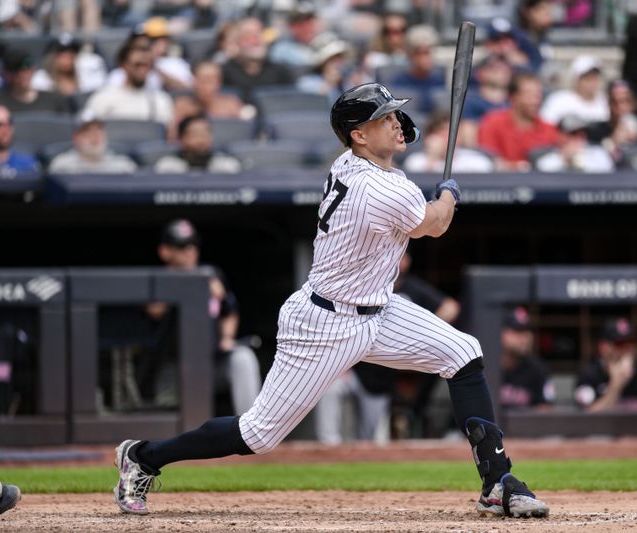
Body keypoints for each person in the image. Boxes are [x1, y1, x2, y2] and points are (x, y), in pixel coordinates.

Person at [112, 83, 549, 520]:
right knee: (257, 435)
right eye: (384, 118)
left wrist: (429, 187)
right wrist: (450, 194)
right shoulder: (380, 188)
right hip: (326, 323)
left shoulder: (355, 163)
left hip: (380, 308)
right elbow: (434, 225)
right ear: (358, 135)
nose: (396, 123)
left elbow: (414, 200)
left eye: (396, 114)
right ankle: (144, 457)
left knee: (463, 352)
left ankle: (497, 481)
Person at [314, 250, 462, 444]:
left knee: (370, 440)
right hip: (353, 367)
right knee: (330, 387)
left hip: (381, 379)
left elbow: (451, 307)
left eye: (401, 257)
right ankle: (327, 446)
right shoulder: (363, 284)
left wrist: (419, 333)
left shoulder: (411, 289)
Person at [141, 219, 261, 413]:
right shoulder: (158, 279)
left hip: (211, 364)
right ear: (165, 251)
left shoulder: (211, 274)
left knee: (243, 358)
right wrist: (189, 284)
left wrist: (226, 338)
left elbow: (229, 310)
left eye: (193, 245)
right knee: (170, 428)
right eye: (181, 246)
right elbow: (154, 311)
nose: (190, 251)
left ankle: (252, 432)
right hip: (173, 369)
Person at [574, 318, 637, 412]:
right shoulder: (589, 375)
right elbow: (584, 419)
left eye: (631, 342)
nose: (627, 349)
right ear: (603, 347)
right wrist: (616, 385)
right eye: (620, 343)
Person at [477, 71, 558, 171]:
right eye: (528, 94)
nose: (535, 101)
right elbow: (488, 161)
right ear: (513, 97)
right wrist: (518, 167)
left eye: (538, 95)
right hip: (499, 183)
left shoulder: (549, 129)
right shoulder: (492, 122)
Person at [83, 44, 174, 127]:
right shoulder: (104, 96)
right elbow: (86, 126)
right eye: (137, 65)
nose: (143, 70)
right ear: (124, 65)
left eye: (146, 65)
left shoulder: (161, 99)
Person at [220, 17, 295, 104]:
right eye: (248, 36)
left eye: (259, 34)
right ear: (238, 42)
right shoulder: (224, 73)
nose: (255, 40)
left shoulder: (281, 73)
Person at [0, 49, 72, 115]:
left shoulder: (55, 100)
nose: (23, 75)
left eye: (27, 69)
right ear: (6, 74)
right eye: (17, 71)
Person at [586, 79, 637, 167]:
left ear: (634, 103)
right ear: (608, 104)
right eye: (615, 102)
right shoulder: (597, 131)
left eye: (626, 101)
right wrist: (613, 142)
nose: (621, 107)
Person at [498, 306, 554, 410]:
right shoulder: (483, 365)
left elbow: (546, 410)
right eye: (518, 331)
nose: (526, 337)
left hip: (525, 426)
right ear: (501, 334)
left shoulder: (537, 368)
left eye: (528, 331)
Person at [404, 112, 495, 173]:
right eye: (442, 130)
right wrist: (433, 157)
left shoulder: (475, 159)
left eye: (453, 130)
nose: (449, 135)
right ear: (430, 136)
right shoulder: (415, 160)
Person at [48, 111, 137, 174]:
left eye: (99, 130)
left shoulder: (123, 166)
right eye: (88, 132)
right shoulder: (62, 166)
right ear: (76, 138)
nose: (95, 136)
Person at [154, 114, 241, 173]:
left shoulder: (226, 166)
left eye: (205, 135)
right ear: (181, 139)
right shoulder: (168, 167)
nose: (201, 141)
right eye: (195, 135)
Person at [540, 55, 609, 127]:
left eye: (595, 77)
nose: (592, 83)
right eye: (587, 78)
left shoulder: (605, 102)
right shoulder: (559, 100)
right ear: (576, 80)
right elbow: (544, 127)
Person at [459, 53, 512, 148]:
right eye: (494, 67)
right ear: (480, 74)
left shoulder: (516, 101)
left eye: (505, 66)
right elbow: (469, 139)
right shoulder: (471, 103)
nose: (502, 70)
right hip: (485, 153)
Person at [390, 25, 445, 113]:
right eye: (420, 53)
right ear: (410, 55)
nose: (426, 58)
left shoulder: (439, 80)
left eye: (428, 52)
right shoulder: (399, 81)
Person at [30, 33, 107, 96]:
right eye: (62, 53)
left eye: (72, 53)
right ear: (52, 57)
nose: (68, 58)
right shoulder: (41, 78)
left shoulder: (85, 76)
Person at [535, 114, 614, 173]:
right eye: (574, 133)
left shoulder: (598, 154)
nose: (580, 137)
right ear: (560, 136)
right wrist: (565, 160)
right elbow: (543, 169)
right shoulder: (549, 159)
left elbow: (607, 171)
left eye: (583, 133)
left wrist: (582, 164)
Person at [269, 1, 323, 71]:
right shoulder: (281, 51)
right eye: (302, 25)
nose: (309, 28)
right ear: (291, 27)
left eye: (310, 23)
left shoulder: (323, 43)